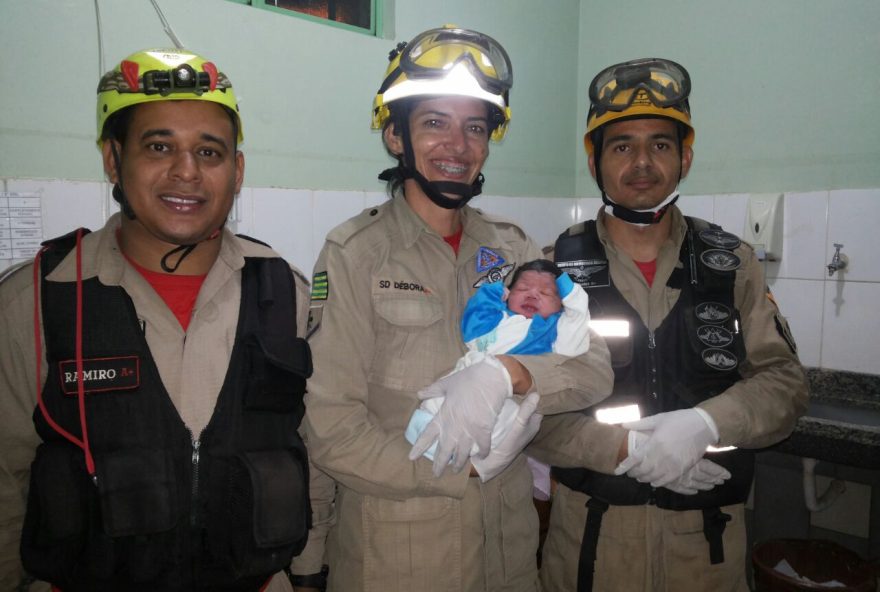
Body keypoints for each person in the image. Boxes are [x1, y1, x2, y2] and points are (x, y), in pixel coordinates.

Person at [0, 48, 331, 591]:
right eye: (159, 147)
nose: (187, 172)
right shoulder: (39, 299)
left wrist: (309, 576)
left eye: (209, 151)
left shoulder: (285, 294)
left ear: (238, 170)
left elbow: (311, 457)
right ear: (113, 159)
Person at [303, 26, 613, 592]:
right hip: (398, 562)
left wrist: (510, 372)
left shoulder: (515, 250)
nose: (459, 145)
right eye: (434, 123)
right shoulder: (354, 254)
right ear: (396, 137)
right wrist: (456, 469)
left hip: (508, 557)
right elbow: (330, 429)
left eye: (475, 127)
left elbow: (592, 367)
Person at [530, 57, 809, 592]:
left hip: (707, 552)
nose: (641, 162)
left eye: (660, 144)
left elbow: (786, 386)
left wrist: (706, 424)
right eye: (621, 146)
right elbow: (527, 414)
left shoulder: (733, 265)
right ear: (594, 161)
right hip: (590, 547)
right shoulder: (552, 275)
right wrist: (627, 452)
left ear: (685, 157)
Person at [405, 259, 590, 501]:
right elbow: (473, 330)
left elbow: (576, 337)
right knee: (442, 398)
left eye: (547, 292)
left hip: (513, 397)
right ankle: (426, 431)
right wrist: (493, 291)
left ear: (561, 305)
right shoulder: (498, 320)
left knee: (508, 420)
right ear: (509, 294)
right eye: (523, 288)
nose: (533, 293)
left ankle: (475, 454)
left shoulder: (555, 330)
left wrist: (571, 292)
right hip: (469, 378)